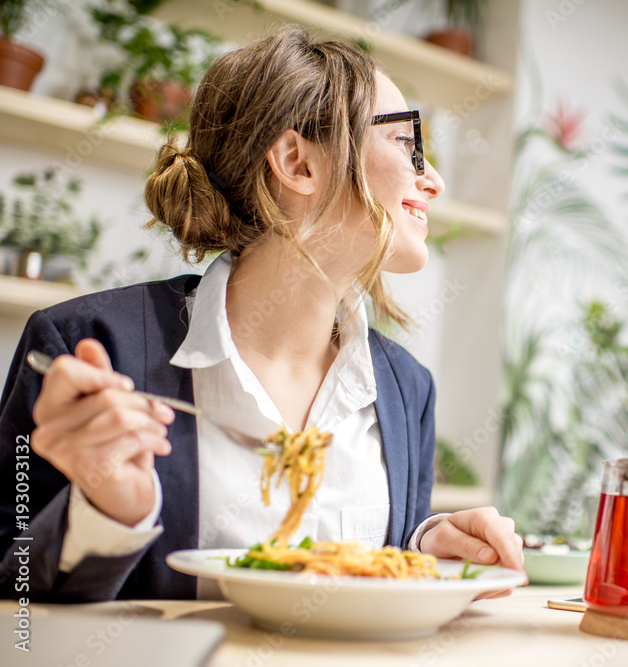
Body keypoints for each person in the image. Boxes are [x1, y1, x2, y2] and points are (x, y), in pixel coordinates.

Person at [0, 27, 523, 602]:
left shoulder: (405, 389)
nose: (435, 179)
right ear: (298, 163)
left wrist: (425, 554)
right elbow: (14, 600)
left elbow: (367, 590)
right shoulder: (83, 348)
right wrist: (105, 510)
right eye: (405, 142)